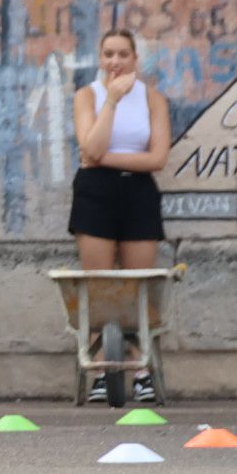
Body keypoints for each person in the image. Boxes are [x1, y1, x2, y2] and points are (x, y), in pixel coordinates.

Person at [70, 28, 170, 402]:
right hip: (94, 193)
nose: (115, 62)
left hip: (138, 192)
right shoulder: (88, 96)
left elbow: (156, 158)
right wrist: (111, 100)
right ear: (100, 59)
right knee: (98, 286)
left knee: (138, 286)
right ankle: (99, 371)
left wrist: (102, 159)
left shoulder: (153, 99)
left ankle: (141, 369)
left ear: (135, 59)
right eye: (108, 54)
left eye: (123, 55)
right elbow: (89, 144)